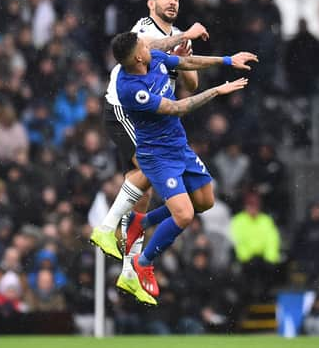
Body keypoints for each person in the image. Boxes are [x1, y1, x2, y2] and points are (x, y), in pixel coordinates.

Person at [96, 30, 256, 304]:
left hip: (179, 147)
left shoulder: (152, 58)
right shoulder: (130, 88)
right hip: (156, 155)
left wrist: (227, 61)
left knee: (205, 202)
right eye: (143, 45)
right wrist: (217, 90)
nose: (148, 45)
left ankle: (141, 222)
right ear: (137, 56)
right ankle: (143, 263)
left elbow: (187, 64)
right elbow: (177, 108)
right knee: (184, 216)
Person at [93, 0, 208, 299]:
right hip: (126, 109)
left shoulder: (181, 34)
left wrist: (185, 54)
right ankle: (105, 228)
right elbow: (146, 48)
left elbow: (192, 81)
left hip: (155, 118)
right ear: (151, 3)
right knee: (145, 168)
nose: (173, 2)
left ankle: (130, 270)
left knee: (141, 194)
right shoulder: (143, 29)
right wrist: (183, 38)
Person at [230, 192, 281, 300]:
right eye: (250, 205)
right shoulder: (238, 221)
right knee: (248, 273)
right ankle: (249, 298)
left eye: (255, 205)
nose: (253, 208)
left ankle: (264, 296)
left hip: (263, 258)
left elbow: (272, 239)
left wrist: (270, 258)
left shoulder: (266, 220)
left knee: (269, 271)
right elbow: (237, 241)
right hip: (246, 259)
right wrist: (246, 257)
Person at [290, 201, 319, 286]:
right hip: (308, 259)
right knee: (312, 272)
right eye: (315, 210)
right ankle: (312, 290)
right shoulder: (304, 226)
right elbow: (297, 245)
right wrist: (300, 258)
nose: (317, 212)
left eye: (318, 210)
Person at [284, 18, 319, 97]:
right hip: (299, 78)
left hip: (308, 78)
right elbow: (287, 61)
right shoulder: (296, 43)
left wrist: (316, 73)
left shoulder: (311, 42)